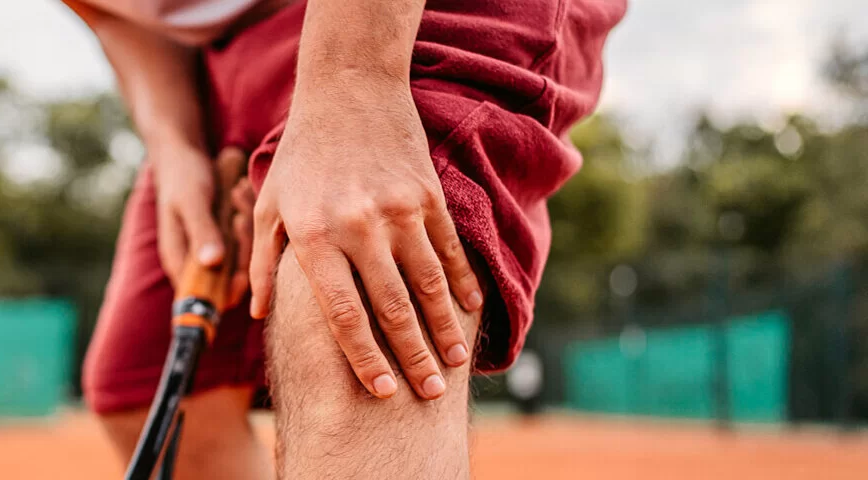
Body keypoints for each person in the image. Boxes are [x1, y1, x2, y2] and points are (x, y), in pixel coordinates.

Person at [65, 0, 625, 477]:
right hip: (222, 54)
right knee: (145, 389)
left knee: (353, 302)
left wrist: (354, 79)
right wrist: (175, 146)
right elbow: (116, 15)